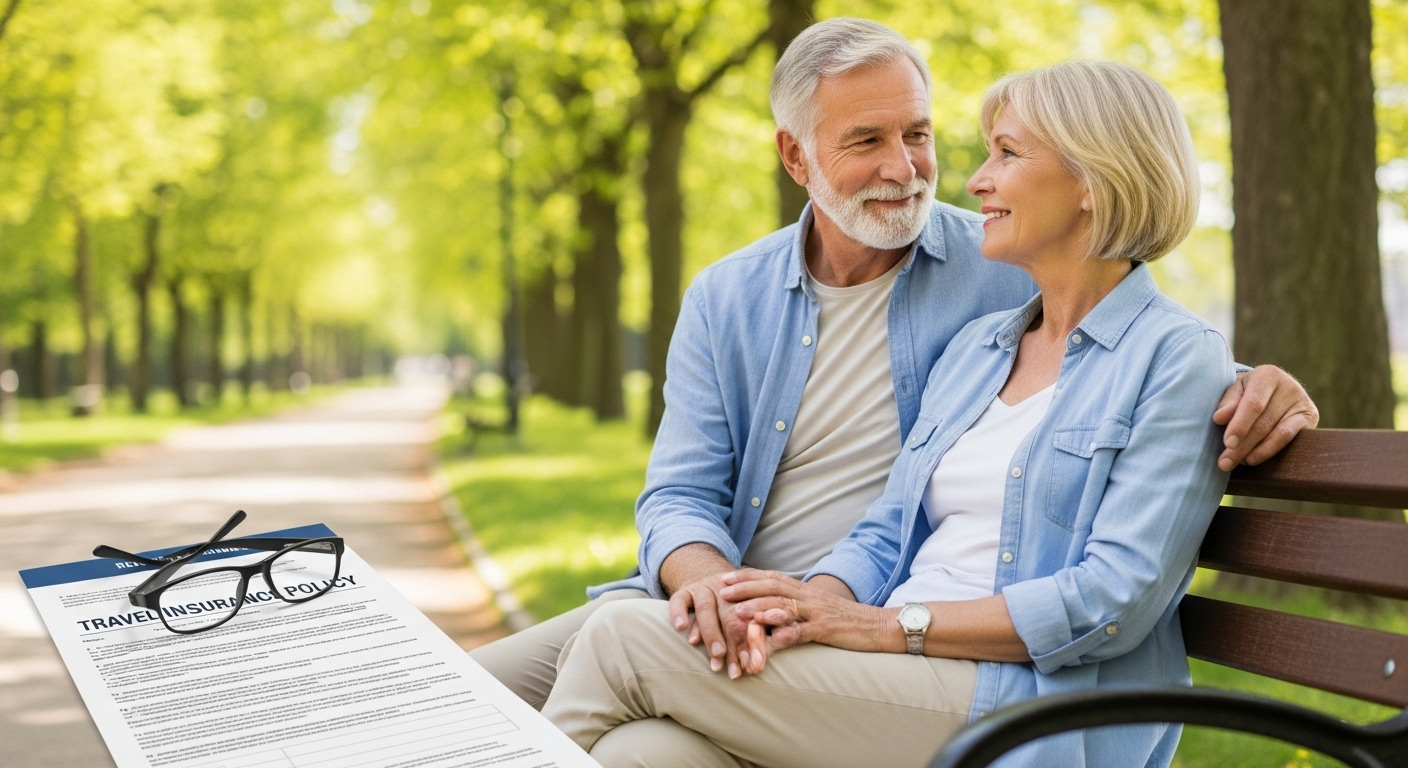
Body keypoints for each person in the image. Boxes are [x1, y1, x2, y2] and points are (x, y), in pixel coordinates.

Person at [470, 16, 1317, 723]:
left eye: (917, 135)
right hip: (752, 598)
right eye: (866, 141)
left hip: (895, 635)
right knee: (481, 694)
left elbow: (1129, 346)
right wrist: (718, 591)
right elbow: (682, 493)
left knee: (621, 650)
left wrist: (1256, 379)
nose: (908, 168)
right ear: (796, 158)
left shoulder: (995, 259)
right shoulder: (737, 299)